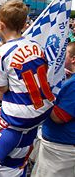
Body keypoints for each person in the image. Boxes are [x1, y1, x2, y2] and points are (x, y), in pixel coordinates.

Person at [0, 0, 55, 176]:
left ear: (0, 24)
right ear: (24, 24)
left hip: (19, 114)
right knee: (1, 136)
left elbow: (0, 92)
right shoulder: (37, 46)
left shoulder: (1, 52)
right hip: (44, 108)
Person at [32, 42, 75, 177]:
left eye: (65, 53)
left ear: (73, 59)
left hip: (61, 150)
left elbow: (59, 117)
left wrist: (44, 95)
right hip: (58, 147)